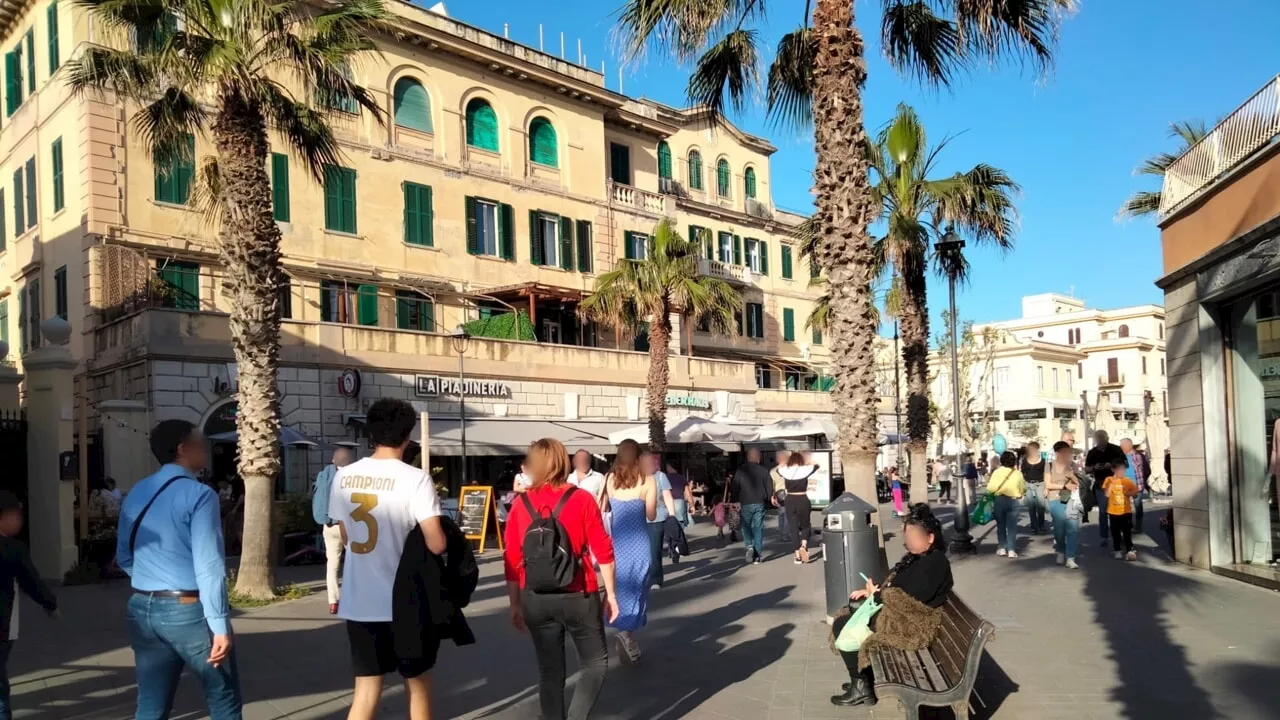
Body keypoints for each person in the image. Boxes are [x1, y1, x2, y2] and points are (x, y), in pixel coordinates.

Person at [328, 399, 447, 720]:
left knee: (365, 692)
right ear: (408, 435)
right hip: (406, 601)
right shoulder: (415, 479)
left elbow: (346, 536)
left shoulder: (344, 477)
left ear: (371, 433)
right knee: (417, 686)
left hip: (359, 600)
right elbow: (436, 543)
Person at [117, 420, 240, 719]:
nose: (206, 447)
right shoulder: (200, 495)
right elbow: (209, 565)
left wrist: (153, 580)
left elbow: (123, 555)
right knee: (223, 697)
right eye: (200, 441)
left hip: (143, 605)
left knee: (151, 703)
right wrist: (220, 624)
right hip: (187, 608)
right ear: (184, 449)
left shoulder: (136, 491)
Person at [504, 439, 619, 720]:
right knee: (595, 662)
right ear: (562, 462)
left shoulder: (521, 504)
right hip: (579, 592)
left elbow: (511, 558)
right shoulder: (581, 499)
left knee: (549, 672)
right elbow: (603, 551)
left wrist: (515, 603)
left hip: (535, 596)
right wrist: (611, 595)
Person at [831, 504, 954, 708]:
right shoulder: (919, 558)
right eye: (907, 535)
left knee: (844, 624)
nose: (908, 540)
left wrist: (876, 595)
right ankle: (862, 679)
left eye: (914, 536)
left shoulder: (935, 563)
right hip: (900, 616)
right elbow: (898, 589)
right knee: (849, 612)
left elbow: (909, 599)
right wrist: (874, 591)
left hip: (911, 625)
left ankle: (861, 685)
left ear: (930, 538)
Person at [0, 491, 58, 720]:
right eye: (16, 515)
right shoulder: (12, 548)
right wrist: (50, 604)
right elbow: (31, 581)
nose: (19, 520)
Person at [603, 439, 657, 663]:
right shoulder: (648, 480)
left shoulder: (609, 479)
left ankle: (622, 626)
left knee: (618, 585)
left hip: (617, 543)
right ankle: (628, 633)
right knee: (638, 587)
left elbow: (604, 508)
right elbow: (651, 515)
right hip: (639, 542)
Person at [313, 447, 354, 615]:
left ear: (333, 461)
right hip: (348, 525)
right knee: (353, 563)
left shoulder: (323, 475)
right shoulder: (352, 476)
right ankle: (352, 598)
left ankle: (333, 602)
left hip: (328, 524)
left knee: (332, 565)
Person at [1045, 441, 1086, 569]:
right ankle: (1061, 550)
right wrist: (1064, 485)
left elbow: (1080, 483)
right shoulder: (1049, 465)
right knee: (1059, 529)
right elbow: (1048, 484)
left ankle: (1070, 557)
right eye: (1063, 452)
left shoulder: (1072, 465)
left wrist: (1072, 477)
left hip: (1071, 499)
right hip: (1055, 499)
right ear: (1057, 453)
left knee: (1073, 528)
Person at [1085, 431, 1127, 548]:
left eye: (1102, 438)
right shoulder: (1092, 452)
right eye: (1098, 439)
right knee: (1103, 512)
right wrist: (1095, 467)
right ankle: (1104, 536)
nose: (1100, 441)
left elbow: (1124, 464)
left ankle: (1119, 533)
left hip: (1116, 484)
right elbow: (1087, 469)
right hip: (1101, 485)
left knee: (1118, 510)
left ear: (1107, 438)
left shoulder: (1115, 449)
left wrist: (1111, 465)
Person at [641, 452, 677, 587]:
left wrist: (672, 516)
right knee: (642, 551)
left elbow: (668, 496)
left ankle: (656, 579)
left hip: (657, 518)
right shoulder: (637, 477)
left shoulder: (660, 476)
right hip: (638, 519)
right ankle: (644, 577)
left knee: (654, 550)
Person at [732, 449, 772, 565]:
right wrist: (768, 499)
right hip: (760, 502)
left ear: (748, 458)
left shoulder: (741, 470)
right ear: (758, 458)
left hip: (745, 502)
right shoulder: (764, 471)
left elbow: (735, 486)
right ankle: (757, 556)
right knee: (758, 528)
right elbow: (769, 487)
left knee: (746, 526)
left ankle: (749, 545)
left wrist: (735, 500)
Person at [778, 454, 818, 564]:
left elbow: (778, 469)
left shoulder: (785, 470)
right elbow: (816, 465)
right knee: (806, 524)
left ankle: (797, 555)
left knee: (793, 527)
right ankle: (804, 546)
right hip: (803, 498)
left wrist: (784, 462)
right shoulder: (805, 469)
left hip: (790, 499)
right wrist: (808, 459)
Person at [987, 451, 1026, 558]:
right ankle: (1012, 549)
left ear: (1002, 461)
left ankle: (1002, 547)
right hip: (1013, 500)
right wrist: (1021, 493)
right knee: (1012, 527)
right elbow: (1023, 487)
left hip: (999, 500)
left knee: (1001, 525)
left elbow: (990, 488)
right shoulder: (1018, 473)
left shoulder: (997, 472)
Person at [1102, 459, 1140, 561]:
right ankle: (1117, 550)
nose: (1121, 472)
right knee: (1115, 533)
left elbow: (1135, 494)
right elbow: (1107, 494)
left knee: (1127, 532)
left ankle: (1130, 551)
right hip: (1113, 511)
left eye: (1123, 470)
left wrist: (1129, 493)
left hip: (1126, 511)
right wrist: (1112, 483)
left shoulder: (1127, 481)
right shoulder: (1108, 480)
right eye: (1119, 469)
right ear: (1113, 469)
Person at [1119, 438, 1149, 533]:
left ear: (1129, 445)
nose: (1121, 447)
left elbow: (1147, 469)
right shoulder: (1119, 456)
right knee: (1125, 508)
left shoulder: (1138, 456)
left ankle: (1138, 527)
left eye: (1122, 445)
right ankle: (1127, 526)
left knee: (1138, 507)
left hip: (1137, 485)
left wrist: (1143, 481)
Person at [1020, 442, 1047, 534]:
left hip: (1040, 484)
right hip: (1028, 484)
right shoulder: (1024, 460)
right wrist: (1022, 487)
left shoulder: (1043, 461)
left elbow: (1046, 474)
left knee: (1041, 506)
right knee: (1031, 507)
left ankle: (1041, 526)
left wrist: (1047, 488)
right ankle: (1033, 527)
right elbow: (1022, 473)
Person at [665, 459, 694, 529]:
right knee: (680, 526)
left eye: (667, 466)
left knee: (669, 526)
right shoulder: (682, 478)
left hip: (667, 504)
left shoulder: (664, 478)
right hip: (680, 504)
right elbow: (688, 493)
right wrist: (692, 505)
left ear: (669, 467)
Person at [770, 451, 792, 543]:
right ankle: (785, 535)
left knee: (781, 515)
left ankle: (781, 534)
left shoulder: (772, 471)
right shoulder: (788, 469)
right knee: (788, 515)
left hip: (778, 494)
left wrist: (772, 496)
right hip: (787, 493)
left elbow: (772, 485)